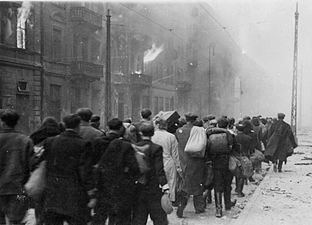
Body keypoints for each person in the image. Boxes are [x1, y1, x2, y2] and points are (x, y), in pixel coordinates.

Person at [42, 114, 93, 225]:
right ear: (78, 126)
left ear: (64, 125)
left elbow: (43, 163)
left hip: (53, 191)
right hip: (74, 193)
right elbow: (84, 171)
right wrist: (91, 191)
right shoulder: (84, 144)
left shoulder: (50, 142)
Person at [94, 123, 140, 225]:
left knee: (100, 215)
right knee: (118, 216)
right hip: (121, 186)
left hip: (103, 184)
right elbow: (134, 167)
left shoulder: (98, 141)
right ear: (121, 129)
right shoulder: (125, 145)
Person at [132, 122, 169, 225]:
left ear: (140, 132)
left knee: (138, 218)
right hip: (153, 188)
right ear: (153, 133)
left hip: (138, 187)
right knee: (159, 218)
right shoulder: (156, 148)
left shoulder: (134, 147)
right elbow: (159, 169)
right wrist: (165, 186)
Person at [0, 109, 33, 225]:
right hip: (19, 191)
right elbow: (31, 166)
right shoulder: (26, 140)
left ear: (3, 123)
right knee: (17, 221)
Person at [29, 117, 62, 225]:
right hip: (56, 176)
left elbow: (32, 159)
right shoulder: (60, 136)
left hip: (40, 175)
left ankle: (39, 220)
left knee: (40, 202)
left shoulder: (35, 137)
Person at [175, 113, 205, 218]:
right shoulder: (199, 131)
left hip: (183, 161)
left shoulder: (178, 131)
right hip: (196, 161)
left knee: (185, 184)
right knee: (197, 183)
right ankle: (199, 208)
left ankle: (181, 206)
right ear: (195, 120)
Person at [206, 117, 237, 217]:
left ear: (218, 125)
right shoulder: (230, 134)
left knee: (217, 186)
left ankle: (218, 209)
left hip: (215, 163)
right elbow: (235, 149)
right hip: (227, 163)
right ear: (227, 125)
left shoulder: (210, 134)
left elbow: (207, 149)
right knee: (227, 184)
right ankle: (227, 204)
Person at [152, 118, 183, 204]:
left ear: (157, 125)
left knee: (157, 181)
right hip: (168, 161)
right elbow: (175, 154)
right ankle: (170, 201)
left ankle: (157, 200)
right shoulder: (171, 136)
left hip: (155, 162)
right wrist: (178, 167)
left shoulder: (152, 135)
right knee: (171, 182)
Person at [234, 123, 253, 197]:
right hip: (245, 156)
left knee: (237, 173)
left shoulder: (234, 137)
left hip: (236, 157)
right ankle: (240, 191)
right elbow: (251, 149)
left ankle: (236, 188)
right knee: (242, 174)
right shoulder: (248, 138)